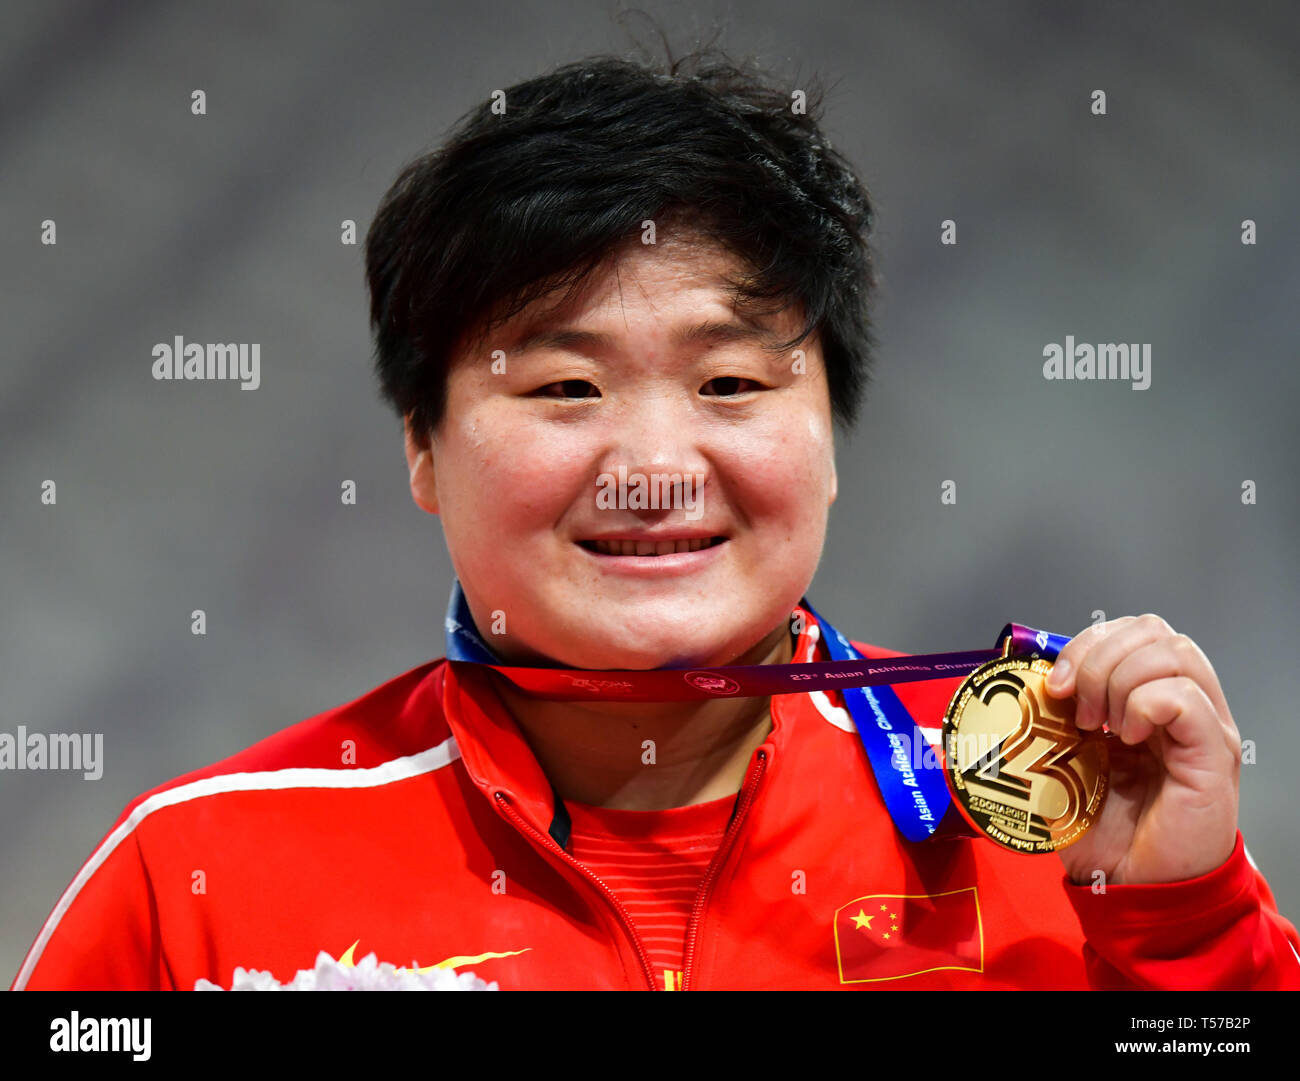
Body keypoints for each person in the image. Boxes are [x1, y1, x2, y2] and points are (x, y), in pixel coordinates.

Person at [13, 45, 1300, 991]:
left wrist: (1180, 928)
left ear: (832, 434)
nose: (652, 466)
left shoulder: (1069, 830)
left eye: (730, 383)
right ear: (421, 445)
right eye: (564, 387)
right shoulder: (196, 881)